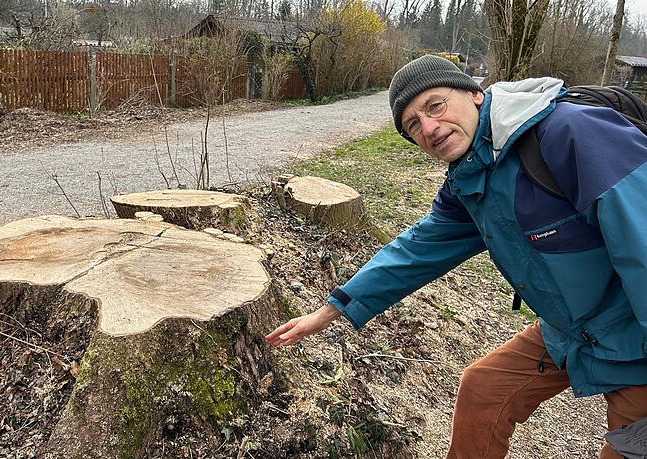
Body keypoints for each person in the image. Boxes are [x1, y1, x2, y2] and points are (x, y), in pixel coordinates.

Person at [265, 55, 647, 458]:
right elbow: (416, 250)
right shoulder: (470, 177)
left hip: (634, 338)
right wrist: (332, 309)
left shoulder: (571, 133)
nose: (429, 128)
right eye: (413, 125)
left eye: (435, 105)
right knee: (483, 390)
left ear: (475, 94)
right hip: (569, 329)